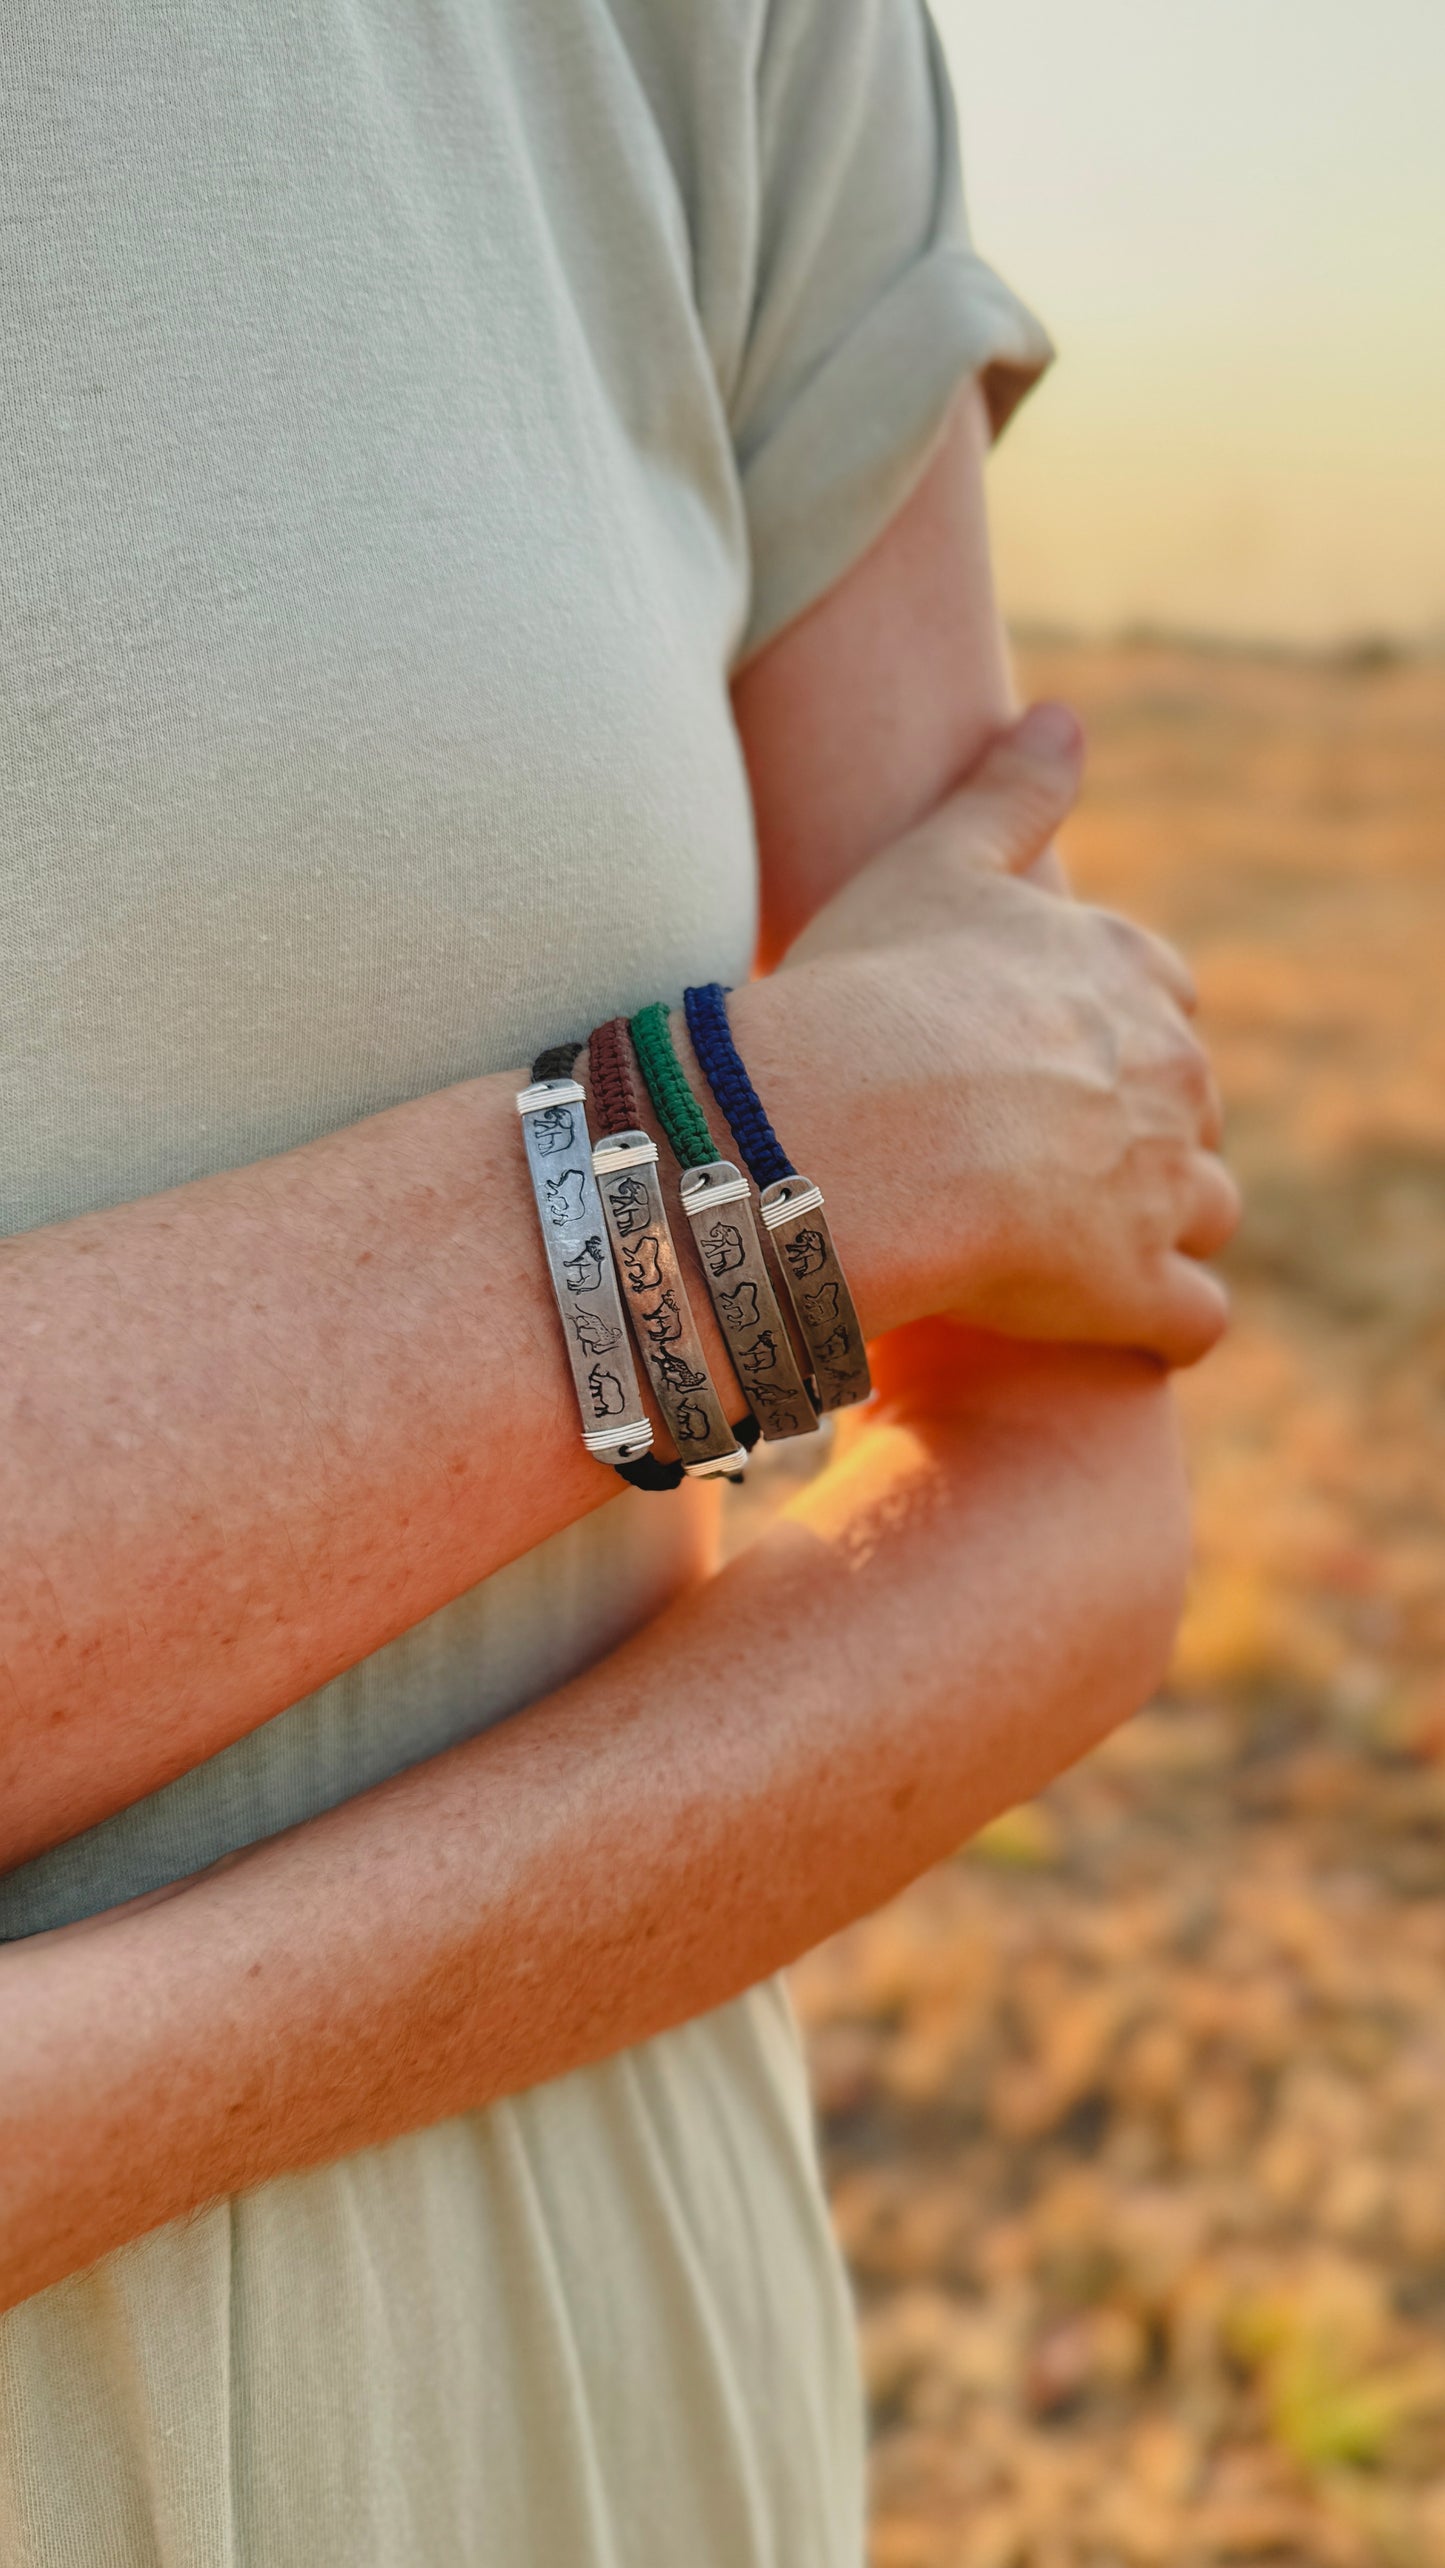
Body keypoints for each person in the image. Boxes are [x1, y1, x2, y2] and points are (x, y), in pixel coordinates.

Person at [0, 1, 1239, 2559]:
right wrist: (804, 1143)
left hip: (583, 2376)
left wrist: (101, 2085)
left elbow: (1071, 1496)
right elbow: (949, 1145)